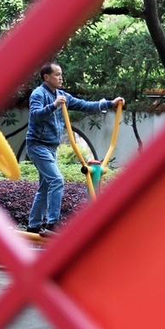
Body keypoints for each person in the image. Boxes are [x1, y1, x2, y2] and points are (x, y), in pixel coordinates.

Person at [26, 63, 124, 234]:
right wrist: (54, 105)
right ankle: (52, 224)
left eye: (61, 74)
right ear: (46, 77)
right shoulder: (38, 94)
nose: (61, 78)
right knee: (56, 180)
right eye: (57, 74)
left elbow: (84, 105)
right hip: (38, 145)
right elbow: (35, 115)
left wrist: (110, 103)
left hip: (51, 147)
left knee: (46, 186)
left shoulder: (62, 95)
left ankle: (33, 225)